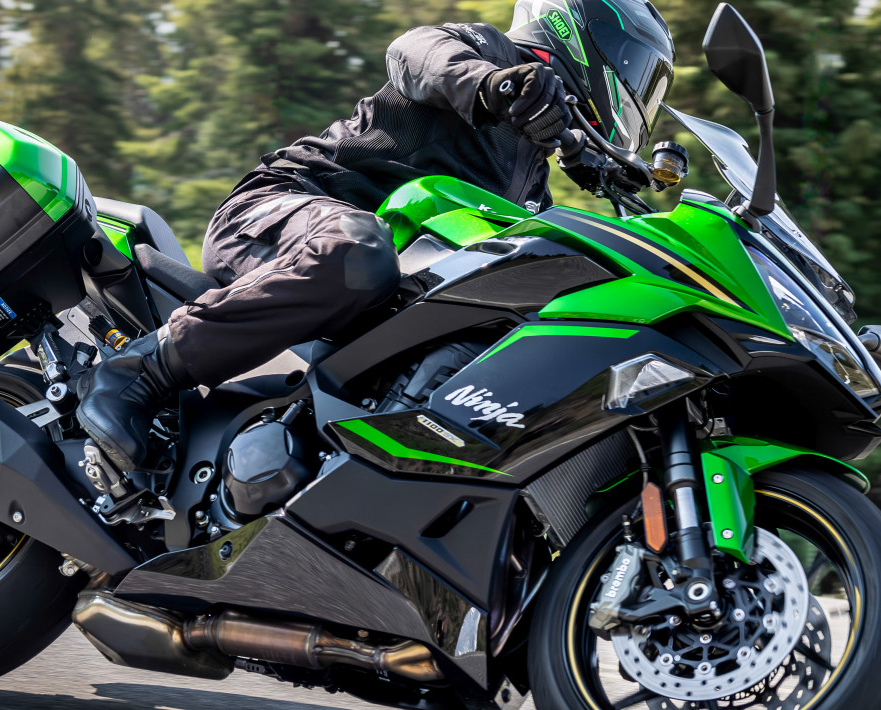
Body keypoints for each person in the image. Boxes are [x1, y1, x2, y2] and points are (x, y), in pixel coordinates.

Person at [79, 0, 679, 473]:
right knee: (359, 250)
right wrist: (493, 83)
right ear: (584, 36)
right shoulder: (482, 50)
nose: (636, 93)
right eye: (634, 69)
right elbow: (413, 54)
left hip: (359, 292)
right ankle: (143, 371)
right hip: (281, 212)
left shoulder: (531, 183)